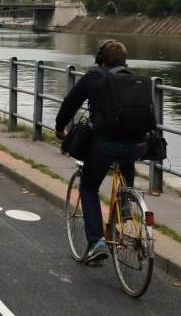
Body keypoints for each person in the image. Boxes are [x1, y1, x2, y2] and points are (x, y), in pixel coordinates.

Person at [55, 39, 148, 265]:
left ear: (100, 59)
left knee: (88, 187)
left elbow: (70, 103)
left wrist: (60, 128)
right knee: (126, 161)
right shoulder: (135, 79)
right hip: (136, 144)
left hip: (104, 144)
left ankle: (97, 242)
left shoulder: (94, 77)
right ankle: (126, 203)